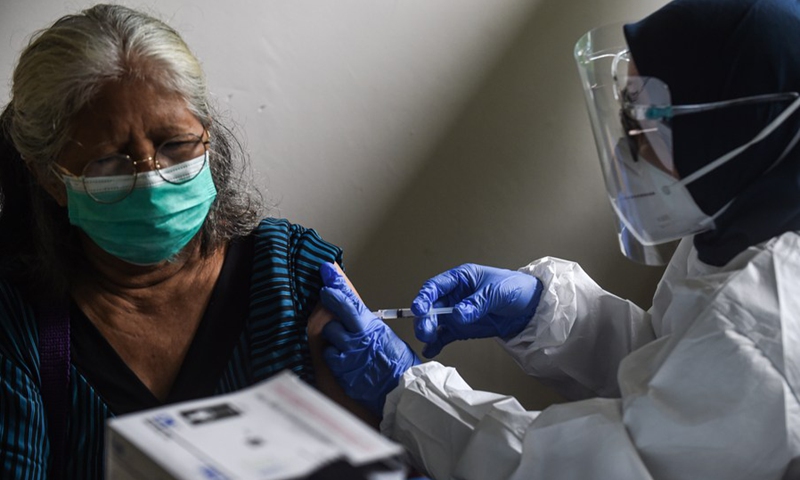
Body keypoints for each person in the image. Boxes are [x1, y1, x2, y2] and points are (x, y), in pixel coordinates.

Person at [317, 0, 800, 478]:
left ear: (731, 134)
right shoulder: (742, 219)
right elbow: (673, 371)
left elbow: (595, 469)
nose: (624, 150)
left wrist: (406, 393)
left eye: (647, 122)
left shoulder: (766, 322)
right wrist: (547, 315)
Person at [0, 4, 375, 478]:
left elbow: (366, 462)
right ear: (51, 178)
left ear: (207, 136)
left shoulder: (293, 274)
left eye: (175, 145)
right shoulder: (18, 319)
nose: (152, 183)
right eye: (110, 163)